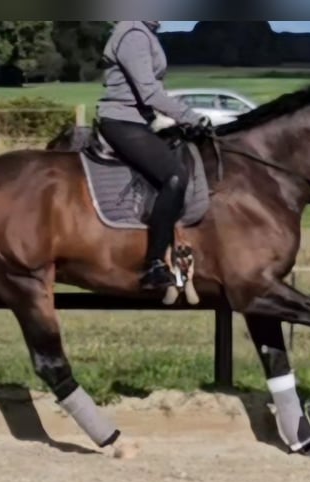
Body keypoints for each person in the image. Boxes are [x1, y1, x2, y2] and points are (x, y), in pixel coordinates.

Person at [96, 20, 212, 290]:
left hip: (139, 121)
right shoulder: (133, 33)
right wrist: (190, 117)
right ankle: (155, 263)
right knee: (174, 175)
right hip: (122, 121)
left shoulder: (143, 32)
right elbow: (148, 91)